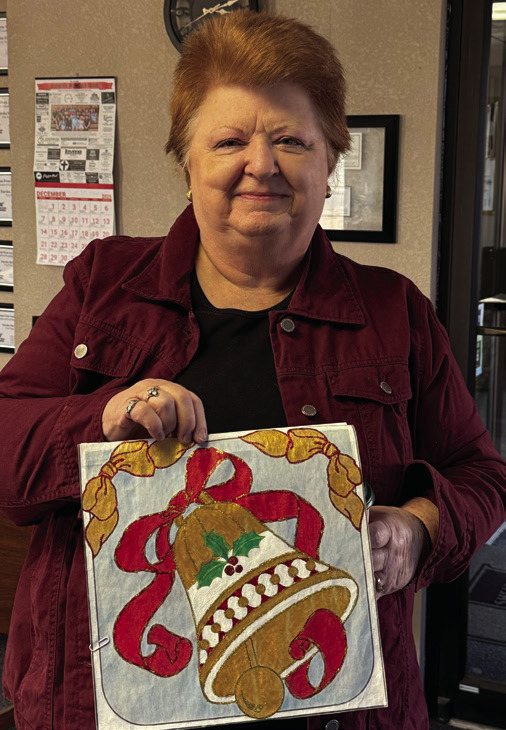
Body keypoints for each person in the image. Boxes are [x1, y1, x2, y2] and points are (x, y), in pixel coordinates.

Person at [0, 10, 505, 730]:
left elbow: (482, 476)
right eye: (229, 140)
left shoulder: (395, 313)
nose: (261, 164)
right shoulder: (100, 287)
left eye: (292, 140)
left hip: (337, 704)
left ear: (329, 163)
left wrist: (419, 530)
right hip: (102, 705)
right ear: (187, 164)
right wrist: (103, 417)